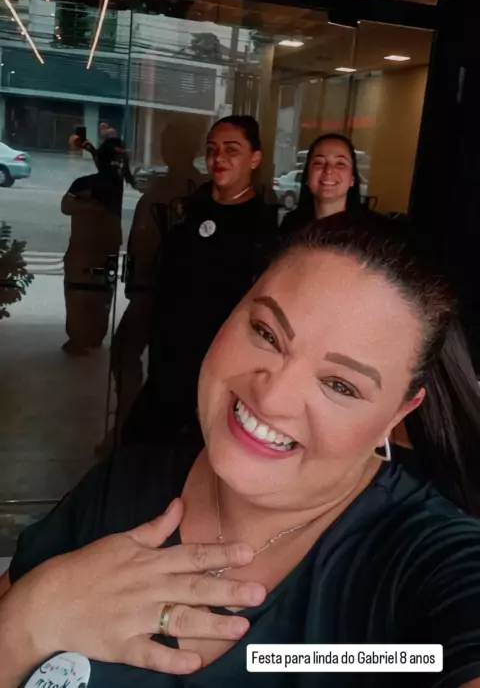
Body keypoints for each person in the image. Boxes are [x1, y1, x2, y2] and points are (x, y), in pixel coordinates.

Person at [3, 214, 480, 687]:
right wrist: (33, 613)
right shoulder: (125, 482)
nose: (273, 398)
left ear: (399, 413)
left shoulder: (432, 564)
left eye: (340, 385)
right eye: (267, 334)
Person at [120, 114, 278, 445]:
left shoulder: (261, 227)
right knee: (139, 452)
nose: (219, 158)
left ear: (255, 159)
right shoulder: (190, 208)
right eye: (212, 149)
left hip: (216, 377)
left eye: (232, 150)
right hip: (166, 369)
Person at [109, 122, 206, 438]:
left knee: (132, 354)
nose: (166, 149)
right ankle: (130, 425)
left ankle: (131, 428)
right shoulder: (179, 186)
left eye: (171, 142)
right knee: (132, 355)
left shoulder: (189, 190)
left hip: (159, 290)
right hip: (155, 288)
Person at [61, 137, 132, 356]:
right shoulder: (116, 184)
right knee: (100, 295)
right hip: (104, 250)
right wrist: (92, 149)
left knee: (80, 294)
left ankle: (80, 337)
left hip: (84, 251)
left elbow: (66, 206)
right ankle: (92, 335)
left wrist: (92, 150)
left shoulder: (86, 184)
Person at [281, 133, 362, 236]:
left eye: (340, 164)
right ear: (307, 175)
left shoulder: (373, 232)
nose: (328, 170)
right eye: (319, 163)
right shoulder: (291, 226)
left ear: (352, 179)